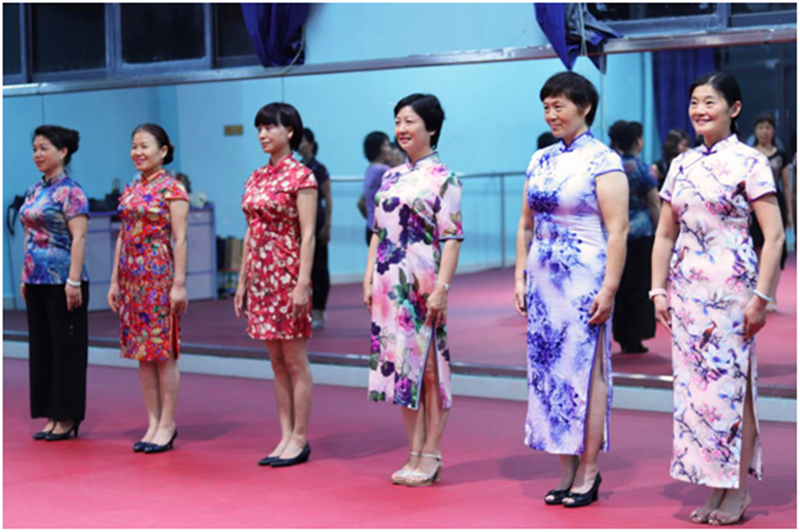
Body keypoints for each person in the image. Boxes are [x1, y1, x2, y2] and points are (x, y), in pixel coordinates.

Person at [651, 72, 784, 526]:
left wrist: (761, 297)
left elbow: (774, 235)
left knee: (731, 387)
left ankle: (737, 489)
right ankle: (714, 484)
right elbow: (664, 234)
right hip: (687, 293)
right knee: (696, 393)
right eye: (694, 102)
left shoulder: (750, 162)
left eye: (710, 101)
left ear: (735, 108)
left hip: (732, 291)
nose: (700, 110)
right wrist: (657, 289)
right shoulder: (681, 164)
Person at [513, 71, 629, 508]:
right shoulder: (539, 158)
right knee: (549, 373)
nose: (551, 114)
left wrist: (610, 287)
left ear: (586, 107)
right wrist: (520, 275)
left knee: (587, 372)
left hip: (584, 279)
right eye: (546, 106)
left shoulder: (603, 160)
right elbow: (525, 224)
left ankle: (589, 469)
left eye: (559, 105)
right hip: (543, 280)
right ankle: (565, 467)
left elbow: (617, 230)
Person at [364, 93, 464, 487]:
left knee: (430, 370)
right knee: (401, 368)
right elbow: (378, 231)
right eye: (398, 122)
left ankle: (432, 452)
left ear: (431, 128)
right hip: (389, 283)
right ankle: (413, 451)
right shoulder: (390, 177)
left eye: (410, 122)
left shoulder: (444, 178)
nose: (401, 129)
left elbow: (452, 238)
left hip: (423, 282)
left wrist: (442, 288)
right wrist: (369, 277)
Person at [235, 103, 318, 468]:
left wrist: (302, 283)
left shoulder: (302, 177)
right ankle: (284, 435)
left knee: (295, 360)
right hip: (261, 277)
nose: (263, 134)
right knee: (276, 362)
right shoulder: (255, 177)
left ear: (290, 131)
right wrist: (242, 280)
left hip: (288, 273)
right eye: (259, 128)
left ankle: (300, 438)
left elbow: (309, 234)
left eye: (270, 127)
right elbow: (250, 232)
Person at [108, 124, 189, 454]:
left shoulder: (173, 189)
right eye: (134, 146)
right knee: (142, 354)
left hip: (158, 277)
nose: (137, 152)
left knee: (163, 353)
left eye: (144, 146)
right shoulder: (130, 190)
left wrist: (179, 284)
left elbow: (180, 239)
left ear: (163, 151)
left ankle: (168, 423)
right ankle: (152, 422)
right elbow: (122, 235)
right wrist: (114, 280)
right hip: (131, 280)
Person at [20, 125, 89, 442]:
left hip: (63, 281)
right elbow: (28, 234)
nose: (37, 154)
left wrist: (73, 280)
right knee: (43, 348)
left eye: (44, 148)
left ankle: (67, 415)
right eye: (35, 149)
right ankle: (50, 413)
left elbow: (80, 238)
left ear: (62, 152)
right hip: (36, 280)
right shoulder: (35, 190)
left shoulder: (71, 192)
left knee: (65, 349)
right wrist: (25, 275)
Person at [608, 121, 659, 353]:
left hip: (615, 234)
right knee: (640, 286)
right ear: (637, 142)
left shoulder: (610, 169)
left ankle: (621, 334)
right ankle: (637, 336)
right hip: (641, 233)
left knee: (619, 285)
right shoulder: (644, 170)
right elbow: (653, 203)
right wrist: (660, 231)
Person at [750, 114, 790, 311]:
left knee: (775, 248)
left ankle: (771, 295)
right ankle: (758, 294)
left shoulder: (781, 155)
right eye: (760, 128)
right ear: (755, 131)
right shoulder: (749, 154)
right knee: (756, 249)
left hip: (776, 204)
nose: (764, 132)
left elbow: (787, 186)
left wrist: (790, 213)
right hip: (753, 205)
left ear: (773, 131)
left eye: (768, 128)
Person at [298, 128, 332, 329]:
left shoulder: (319, 169)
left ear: (311, 144)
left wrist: (327, 225)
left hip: (317, 223)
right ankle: (307, 310)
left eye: (303, 141)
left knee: (319, 268)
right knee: (304, 268)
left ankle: (320, 310)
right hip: (300, 225)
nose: (300, 145)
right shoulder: (297, 169)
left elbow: (328, 197)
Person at [359, 131, 391, 245]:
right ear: (378, 149)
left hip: (370, 227)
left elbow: (361, 203)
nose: (390, 149)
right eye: (386, 145)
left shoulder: (370, 168)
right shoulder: (384, 170)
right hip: (381, 229)